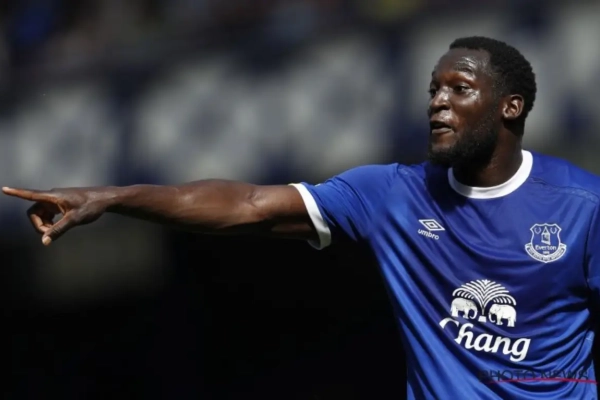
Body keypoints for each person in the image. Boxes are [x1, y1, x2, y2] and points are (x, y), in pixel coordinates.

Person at [4, 36, 600, 399]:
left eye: (459, 88)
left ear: (510, 106)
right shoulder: (393, 194)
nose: (438, 102)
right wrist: (112, 197)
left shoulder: (581, 207)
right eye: (432, 89)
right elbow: (246, 205)